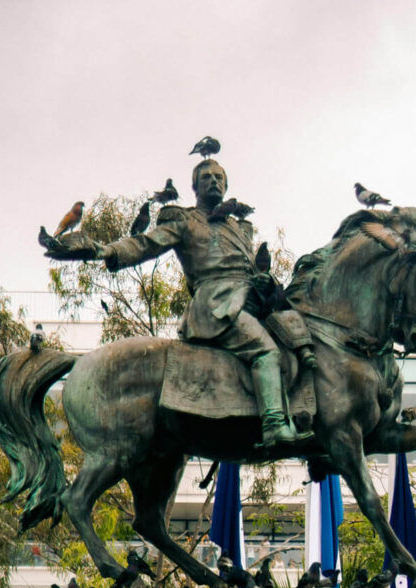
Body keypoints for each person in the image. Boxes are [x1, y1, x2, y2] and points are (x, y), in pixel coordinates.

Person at [88, 159, 315, 449]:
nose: (214, 182)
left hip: (249, 301)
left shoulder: (237, 227)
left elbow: (249, 270)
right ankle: (273, 425)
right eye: (206, 177)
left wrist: (261, 281)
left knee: (296, 339)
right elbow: (146, 244)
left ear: (227, 185)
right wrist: (110, 251)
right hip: (216, 305)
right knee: (266, 353)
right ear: (194, 186)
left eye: (219, 177)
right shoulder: (185, 221)